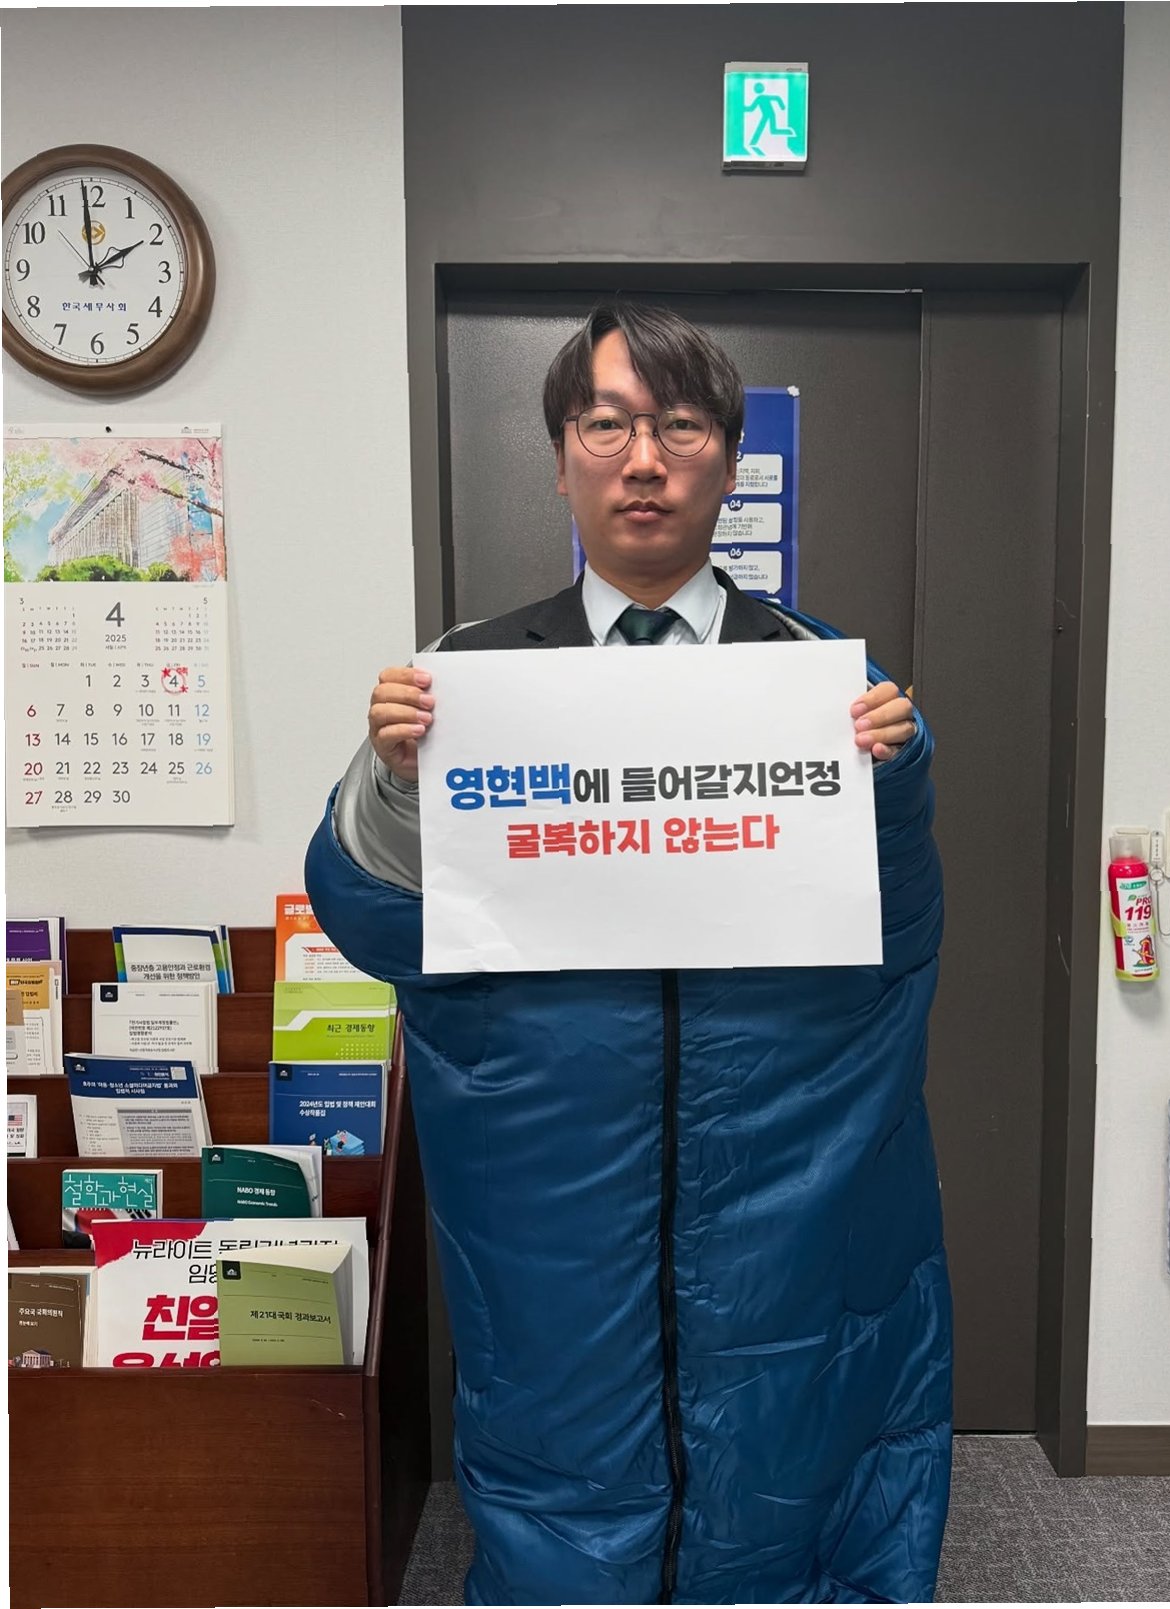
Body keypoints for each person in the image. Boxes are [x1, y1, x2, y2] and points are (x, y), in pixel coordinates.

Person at [305, 303, 951, 1605]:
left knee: (787, 1466)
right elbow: (375, 924)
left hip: (776, 1197)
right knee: (558, 1478)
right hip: (548, 1195)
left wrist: (894, 783)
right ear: (561, 459)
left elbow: (895, 944)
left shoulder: (823, 685)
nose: (643, 459)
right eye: (606, 424)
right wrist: (390, 785)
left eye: (681, 426)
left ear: (729, 461)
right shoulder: (467, 683)